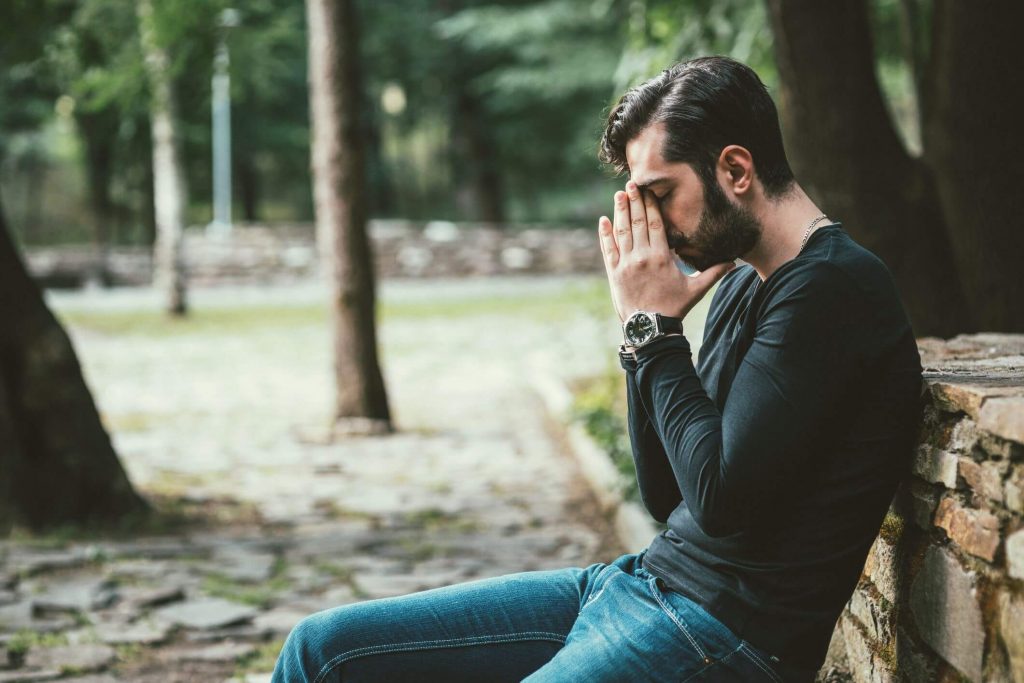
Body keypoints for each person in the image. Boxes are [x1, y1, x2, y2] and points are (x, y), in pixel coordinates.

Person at [271, 55, 924, 682]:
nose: (654, 228)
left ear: (735, 169)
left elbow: (722, 500)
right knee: (322, 651)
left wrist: (657, 330)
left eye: (661, 195)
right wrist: (637, 332)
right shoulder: (743, 284)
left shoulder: (833, 288)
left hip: (722, 635)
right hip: (636, 583)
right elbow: (667, 493)